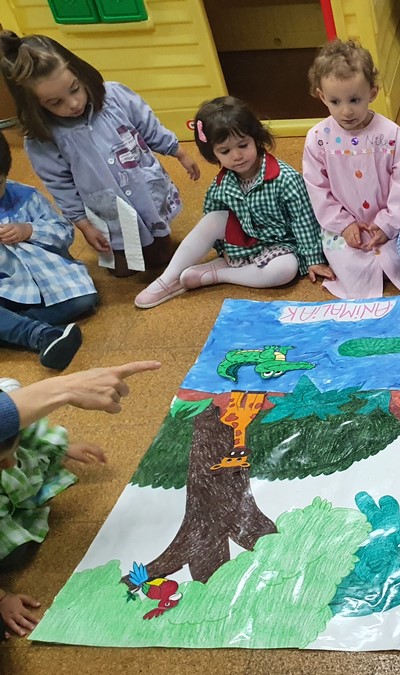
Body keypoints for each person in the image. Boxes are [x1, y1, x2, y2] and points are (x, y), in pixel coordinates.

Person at [0, 31, 200, 277]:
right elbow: (60, 185)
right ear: (35, 106)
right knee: (122, 269)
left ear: (82, 74)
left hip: (144, 188)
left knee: (160, 254)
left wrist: (178, 151)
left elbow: (149, 125)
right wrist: (83, 224)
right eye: (55, 102)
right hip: (106, 208)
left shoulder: (115, 96)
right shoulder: (44, 139)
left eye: (75, 89)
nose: (73, 103)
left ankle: (155, 245)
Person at [0, 359, 158, 639]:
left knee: (26, 449)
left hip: (20, 481)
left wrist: (63, 447)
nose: (9, 464)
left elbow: (30, 427)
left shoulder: (14, 431)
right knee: (14, 555)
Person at [134, 97, 335, 309]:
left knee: (286, 270)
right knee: (211, 219)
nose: (237, 156)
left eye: (243, 145)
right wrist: (223, 249)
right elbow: (212, 216)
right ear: (213, 154)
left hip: (280, 245)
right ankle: (168, 279)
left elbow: (303, 220)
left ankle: (218, 274)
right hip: (242, 241)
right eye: (225, 151)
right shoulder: (222, 181)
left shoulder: (285, 179)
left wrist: (313, 258)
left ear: (256, 139)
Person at [303, 39, 400, 299]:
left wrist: (387, 224)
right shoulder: (317, 139)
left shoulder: (391, 134)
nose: (346, 111)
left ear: (372, 93)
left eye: (354, 100)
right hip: (342, 228)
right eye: (335, 101)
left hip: (391, 222)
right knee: (351, 267)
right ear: (322, 96)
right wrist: (344, 225)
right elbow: (318, 190)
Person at [0, 133, 96, 370]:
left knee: (84, 300)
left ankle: (11, 327)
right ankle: (42, 335)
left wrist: (29, 230)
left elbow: (64, 232)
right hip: (4, 290)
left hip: (40, 282)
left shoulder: (26, 196)